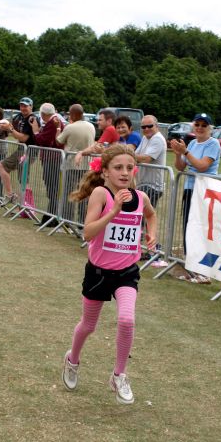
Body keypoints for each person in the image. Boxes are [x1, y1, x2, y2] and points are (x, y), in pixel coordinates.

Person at [62, 144, 157, 405]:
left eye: (129, 167)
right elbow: (88, 233)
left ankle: (119, 375)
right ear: (105, 172)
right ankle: (72, 360)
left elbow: (151, 214)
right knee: (88, 326)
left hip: (127, 272)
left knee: (127, 320)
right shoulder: (101, 195)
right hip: (99, 272)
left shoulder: (140, 197)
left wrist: (152, 233)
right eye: (118, 168)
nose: (125, 173)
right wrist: (114, 211)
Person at [171, 112, 221, 283]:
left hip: (205, 192)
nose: (200, 128)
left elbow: (201, 166)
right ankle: (192, 268)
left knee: (201, 230)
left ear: (210, 128)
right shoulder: (192, 143)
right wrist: (178, 154)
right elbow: (180, 167)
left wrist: (185, 151)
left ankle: (205, 272)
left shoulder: (213, 144)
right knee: (188, 228)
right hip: (190, 189)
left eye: (203, 125)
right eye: (197, 124)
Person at [56, 103, 95, 223]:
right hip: (87, 165)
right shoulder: (91, 126)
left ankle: (67, 221)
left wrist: (58, 130)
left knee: (70, 193)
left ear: (72, 114)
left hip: (71, 165)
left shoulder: (70, 127)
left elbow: (59, 141)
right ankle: (82, 222)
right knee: (84, 194)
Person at [0, 97, 37, 203]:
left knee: (23, 178)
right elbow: (16, 135)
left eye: (25, 106)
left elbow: (24, 138)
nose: (23, 108)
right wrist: (5, 127)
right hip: (21, 150)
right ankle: (14, 198)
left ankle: (25, 206)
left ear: (31, 107)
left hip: (29, 151)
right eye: (21, 105)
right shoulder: (18, 117)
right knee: (4, 167)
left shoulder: (32, 119)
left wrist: (9, 129)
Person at [30, 102, 65, 225]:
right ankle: (50, 216)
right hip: (52, 159)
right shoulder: (54, 121)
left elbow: (43, 140)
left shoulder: (52, 123)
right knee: (51, 188)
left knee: (52, 188)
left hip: (52, 159)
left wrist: (35, 132)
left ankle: (51, 218)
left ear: (43, 114)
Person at [135, 115, 167, 208]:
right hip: (144, 185)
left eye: (150, 126)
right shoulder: (145, 138)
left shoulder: (157, 139)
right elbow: (135, 154)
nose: (146, 129)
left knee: (144, 218)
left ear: (157, 126)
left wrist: (125, 154)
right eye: (143, 127)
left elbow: (146, 158)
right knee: (141, 218)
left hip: (152, 187)